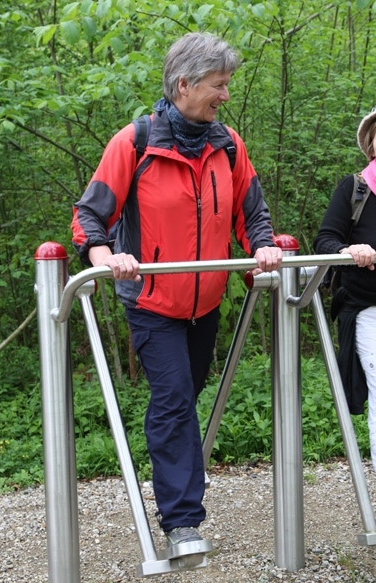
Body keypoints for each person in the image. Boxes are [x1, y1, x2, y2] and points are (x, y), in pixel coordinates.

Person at [71, 32, 282, 551]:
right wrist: (105, 258)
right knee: (172, 400)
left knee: (186, 394)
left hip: (205, 304)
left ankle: (180, 494)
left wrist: (262, 246)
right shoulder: (135, 142)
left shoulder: (228, 145)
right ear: (184, 85)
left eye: (227, 84)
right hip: (152, 303)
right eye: (218, 85)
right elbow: (89, 218)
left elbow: (251, 212)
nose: (225, 95)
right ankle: (182, 523)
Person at [314, 102, 376, 519]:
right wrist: (348, 249)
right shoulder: (355, 189)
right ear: (372, 145)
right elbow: (325, 240)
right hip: (369, 310)